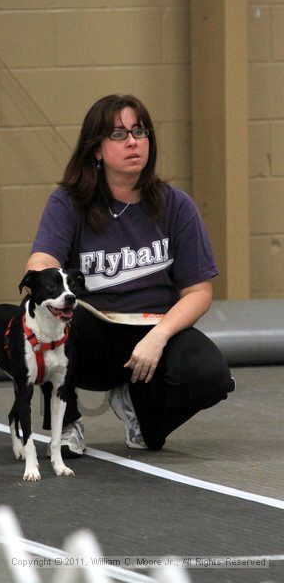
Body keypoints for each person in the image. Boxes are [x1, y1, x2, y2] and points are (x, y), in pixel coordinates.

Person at [25, 93, 234, 457]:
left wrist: (160, 335)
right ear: (96, 150)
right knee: (41, 315)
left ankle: (142, 412)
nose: (134, 141)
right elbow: (41, 259)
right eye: (119, 134)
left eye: (139, 131)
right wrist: (40, 279)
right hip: (88, 332)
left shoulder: (176, 205)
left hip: (151, 330)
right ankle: (67, 419)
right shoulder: (69, 203)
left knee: (211, 375)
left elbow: (199, 291)